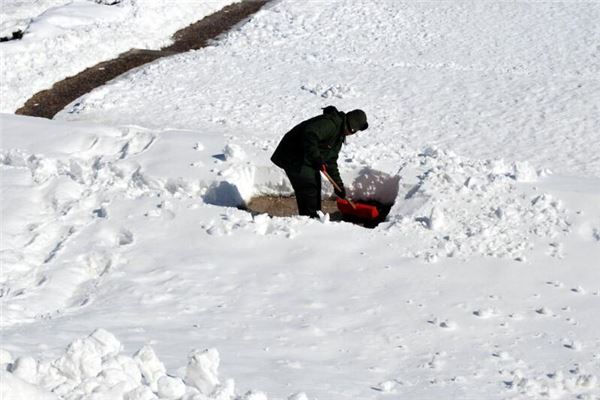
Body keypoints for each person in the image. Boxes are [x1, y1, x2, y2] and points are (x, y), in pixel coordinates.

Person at [271, 106, 368, 218]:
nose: (352, 134)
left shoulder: (339, 135)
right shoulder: (331, 124)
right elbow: (310, 134)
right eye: (354, 131)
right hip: (293, 154)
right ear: (352, 128)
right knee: (308, 186)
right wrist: (316, 157)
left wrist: (338, 186)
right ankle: (309, 219)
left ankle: (315, 215)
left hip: (306, 156)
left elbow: (330, 161)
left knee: (315, 183)